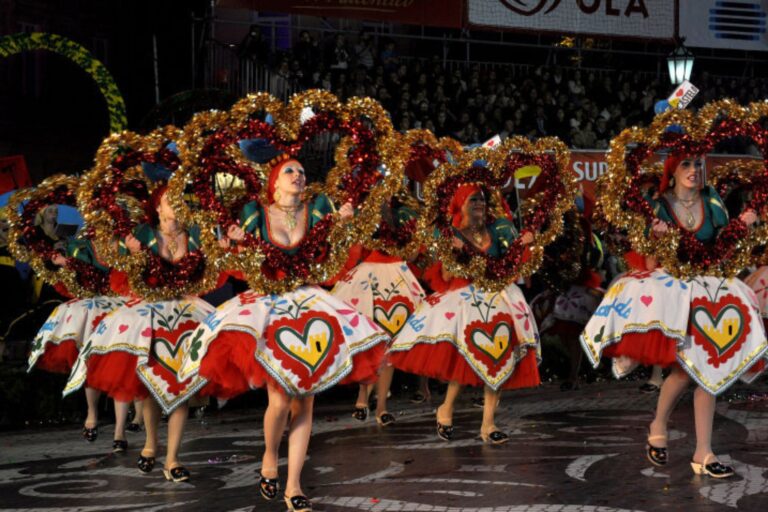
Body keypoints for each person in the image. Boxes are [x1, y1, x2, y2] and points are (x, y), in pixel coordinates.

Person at [178, 154, 388, 512]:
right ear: (274, 183)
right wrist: (236, 243)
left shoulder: (318, 211)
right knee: (279, 401)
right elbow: (238, 264)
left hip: (309, 307)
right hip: (270, 308)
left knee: (306, 400)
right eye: (289, 171)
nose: (298, 176)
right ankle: (270, 457)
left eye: (303, 171)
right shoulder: (256, 213)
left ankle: (294, 485)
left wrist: (343, 227)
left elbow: (331, 259)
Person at [581, 152, 766, 478]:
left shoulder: (713, 202)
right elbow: (651, 265)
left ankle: (704, 452)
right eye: (686, 164)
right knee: (683, 373)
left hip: (711, 295)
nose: (694, 171)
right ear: (672, 170)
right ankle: (659, 424)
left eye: (697, 164)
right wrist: (658, 241)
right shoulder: (660, 206)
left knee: (708, 369)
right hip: (675, 295)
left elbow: (724, 252)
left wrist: (741, 226)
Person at [69, 185, 214, 482]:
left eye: (179, 198)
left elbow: (209, 273)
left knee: (180, 388)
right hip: (149, 316)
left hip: (184, 315)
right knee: (150, 386)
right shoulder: (143, 235)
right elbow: (121, 278)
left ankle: (172, 458)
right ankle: (151, 442)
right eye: (168, 199)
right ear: (157, 207)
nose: (176, 203)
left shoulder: (196, 235)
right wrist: (135, 255)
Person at [389, 184, 541, 444]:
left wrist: (525, 245)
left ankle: (489, 423)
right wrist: (458, 253)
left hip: (500, 300)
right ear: (460, 204)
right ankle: (446, 408)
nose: (479, 204)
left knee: (499, 356)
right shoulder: (451, 234)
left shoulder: (499, 229)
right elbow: (447, 276)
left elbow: (514, 266)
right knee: (467, 359)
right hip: (465, 301)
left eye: (482, 200)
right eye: (473, 200)